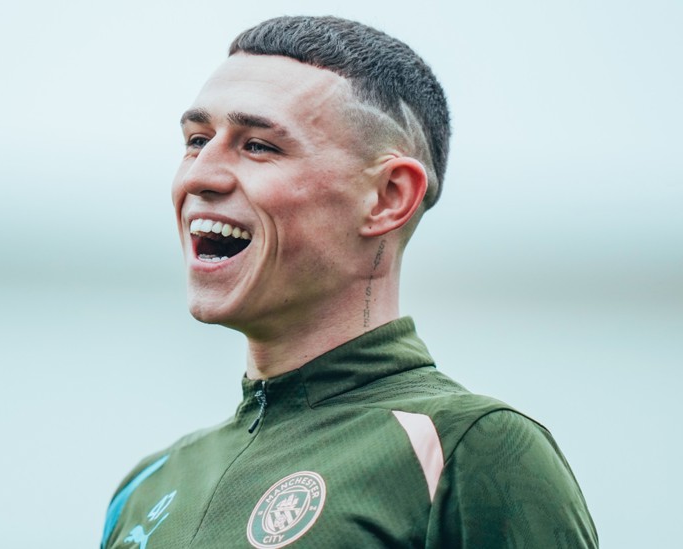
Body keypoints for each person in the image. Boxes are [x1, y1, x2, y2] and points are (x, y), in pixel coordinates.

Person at [101, 15, 597, 549]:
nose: (199, 175)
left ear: (388, 196)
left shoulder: (465, 449)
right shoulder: (147, 486)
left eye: (259, 146)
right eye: (197, 140)